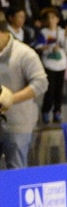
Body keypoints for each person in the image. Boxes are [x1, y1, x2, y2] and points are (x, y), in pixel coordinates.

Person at [0, 18, 48, 169]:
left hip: (17, 124)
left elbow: (41, 83)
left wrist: (11, 98)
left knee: (16, 169)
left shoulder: (25, 54)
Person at [33, 7, 67, 123]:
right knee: (50, 89)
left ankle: (57, 111)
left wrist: (66, 38)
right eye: (48, 18)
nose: (51, 20)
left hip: (61, 64)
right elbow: (39, 47)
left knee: (59, 90)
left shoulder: (62, 32)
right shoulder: (44, 33)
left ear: (57, 19)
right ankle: (45, 111)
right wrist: (49, 49)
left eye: (53, 17)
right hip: (49, 64)